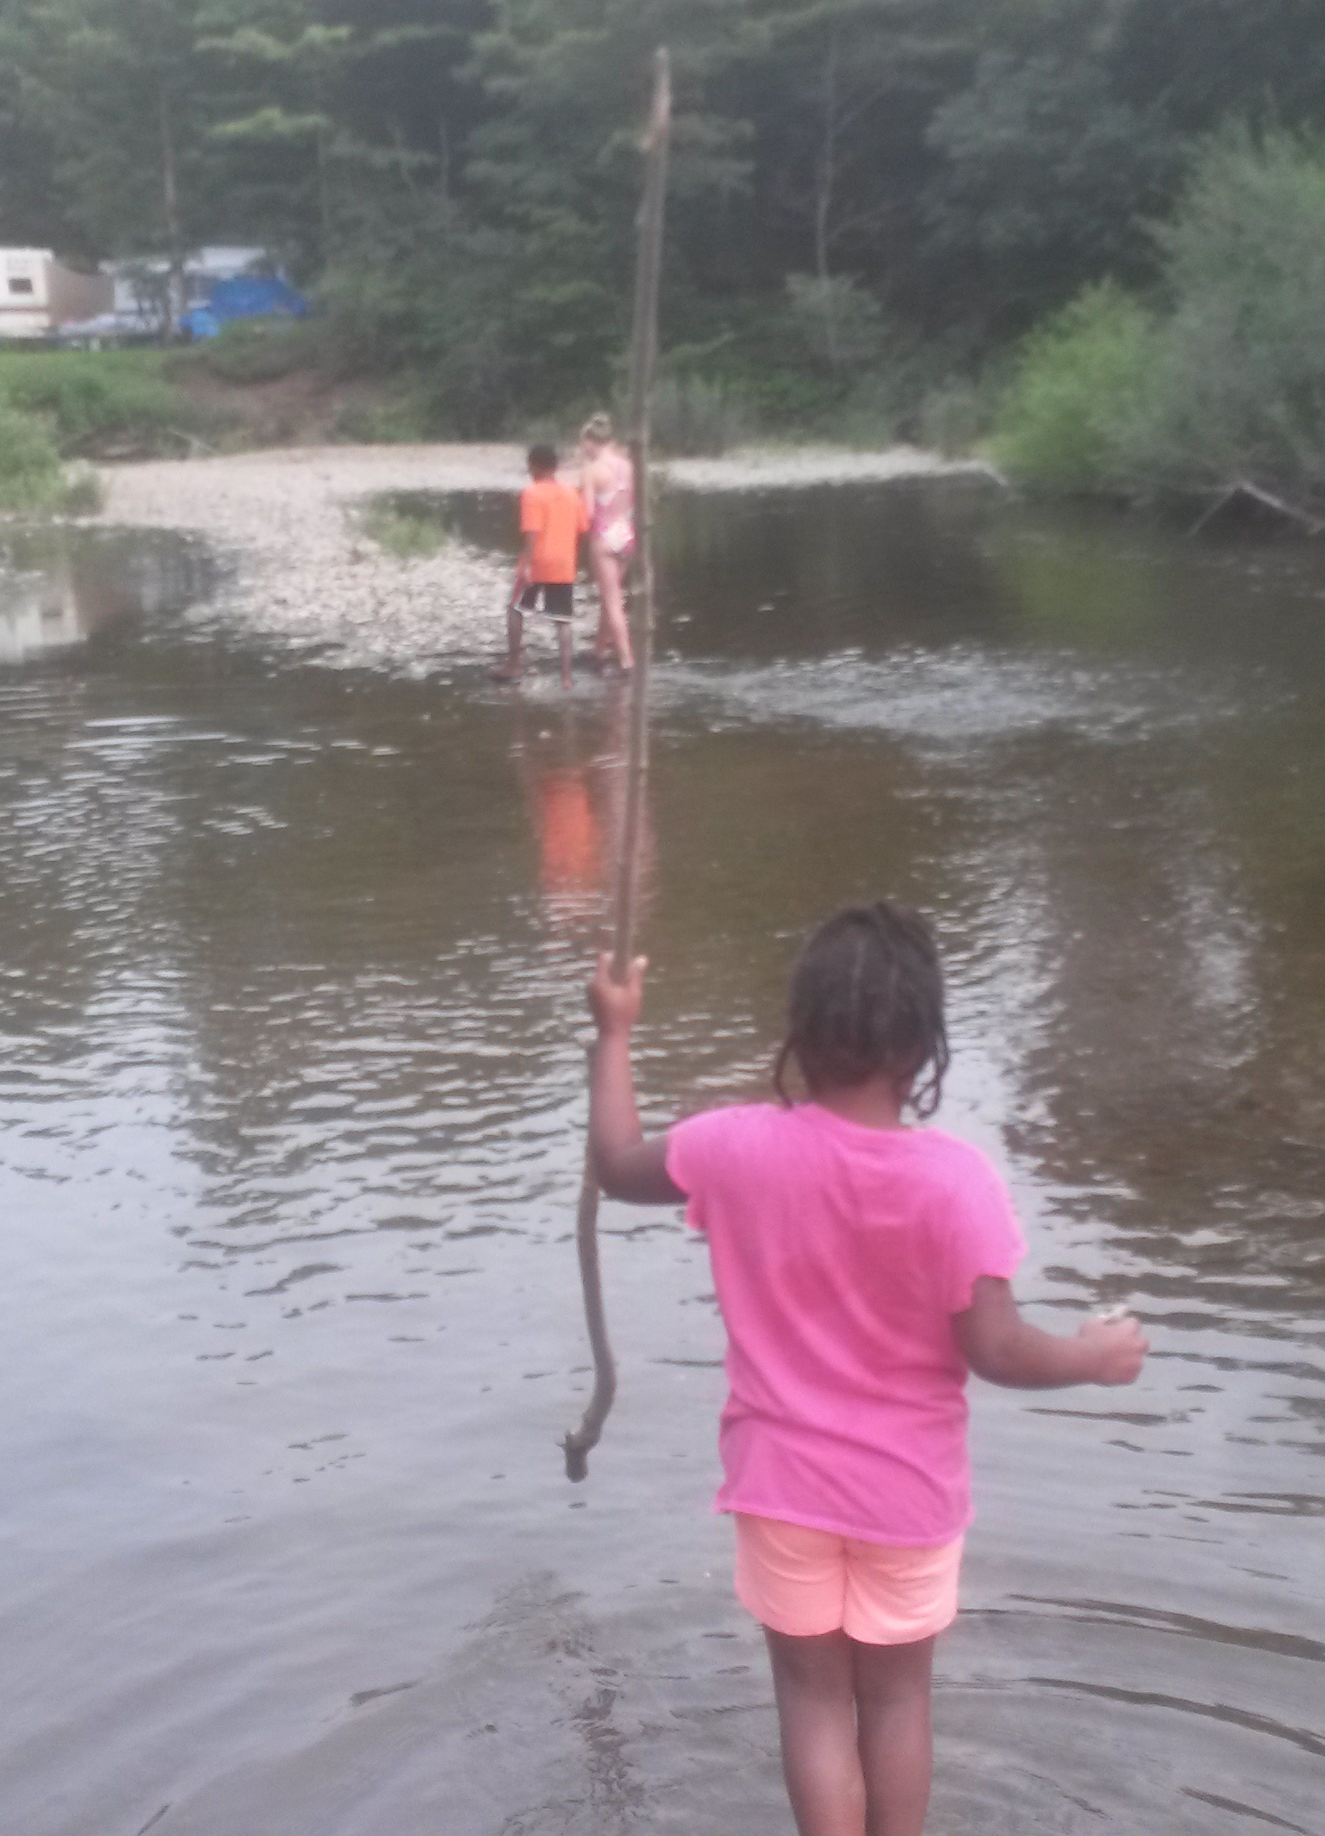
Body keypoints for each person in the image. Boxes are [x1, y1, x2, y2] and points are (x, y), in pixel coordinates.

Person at [584, 903, 1146, 1836]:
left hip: (782, 1487)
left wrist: (614, 1033)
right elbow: (998, 1350)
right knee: (896, 1701)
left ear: (799, 1031)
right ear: (923, 1048)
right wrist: (1095, 1355)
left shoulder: (732, 1144)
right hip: (907, 1496)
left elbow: (613, 1163)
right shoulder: (956, 1181)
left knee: (811, 1702)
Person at [504, 442, 590, 682]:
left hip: (537, 563)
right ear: (555, 466)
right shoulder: (571, 493)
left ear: (534, 466)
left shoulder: (532, 493)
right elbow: (582, 528)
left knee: (515, 609)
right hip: (564, 564)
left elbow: (532, 531)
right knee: (563, 621)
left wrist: (526, 566)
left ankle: (513, 665)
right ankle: (566, 677)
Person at [577, 413, 640, 674]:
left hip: (603, 538)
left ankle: (627, 661)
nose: (582, 448)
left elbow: (588, 513)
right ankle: (600, 650)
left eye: (583, 443)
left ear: (591, 441)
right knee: (609, 596)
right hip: (626, 534)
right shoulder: (628, 466)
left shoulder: (591, 471)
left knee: (612, 600)